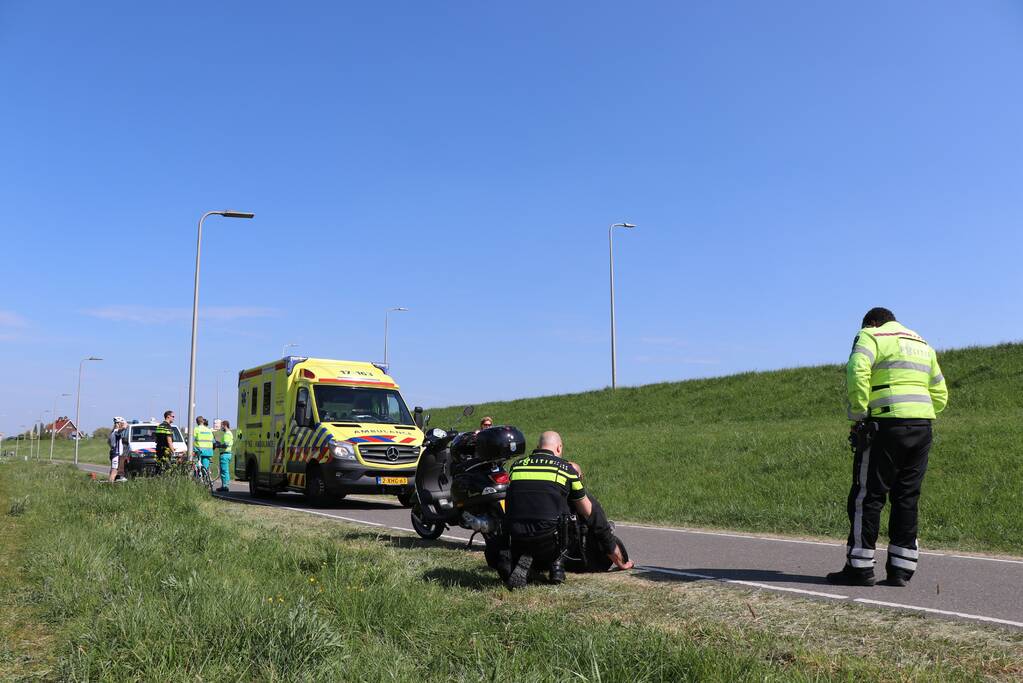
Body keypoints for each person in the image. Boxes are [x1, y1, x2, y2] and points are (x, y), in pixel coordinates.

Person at [828, 307, 948, 587]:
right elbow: (940, 391)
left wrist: (859, 414)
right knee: (907, 496)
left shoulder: (871, 335)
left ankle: (859, 568)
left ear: (872, 322)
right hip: (922, 426)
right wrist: (920, 411)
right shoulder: (921, 342)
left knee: (867, 496)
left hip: (885, 425)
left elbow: (857, 370)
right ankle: (900, 570)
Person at [503, 431, 632, 589]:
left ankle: (529, 562)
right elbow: (590, 513)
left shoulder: (516, 467)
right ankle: (557, 564)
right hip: (550, 542)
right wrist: (617, 557)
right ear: (559, 448)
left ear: (538, 447)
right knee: (579, 508)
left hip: (518, 539)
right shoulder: (566, 469)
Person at [214, 419, 234, 493]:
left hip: (225, 454)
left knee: (224, 471)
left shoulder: (227, 434)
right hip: (227, 454)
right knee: (225, 471)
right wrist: (219, 443)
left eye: (222, 426)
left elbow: (225, 445)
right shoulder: (228, 433)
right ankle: (225, 485)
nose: (221, 427)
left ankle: (225, 486)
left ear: (225, 425)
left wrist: (217, 445)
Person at [108, 417, 129, 483]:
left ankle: (110, 483)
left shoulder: (112, 432)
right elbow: (124, 428)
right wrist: (125, 424)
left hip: (114, 452)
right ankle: (110, 485)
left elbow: (108, 442)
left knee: (113, 470)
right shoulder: (116, 431)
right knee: (114, 471)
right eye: (121, 423)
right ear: (119, 424)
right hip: (116, 454)